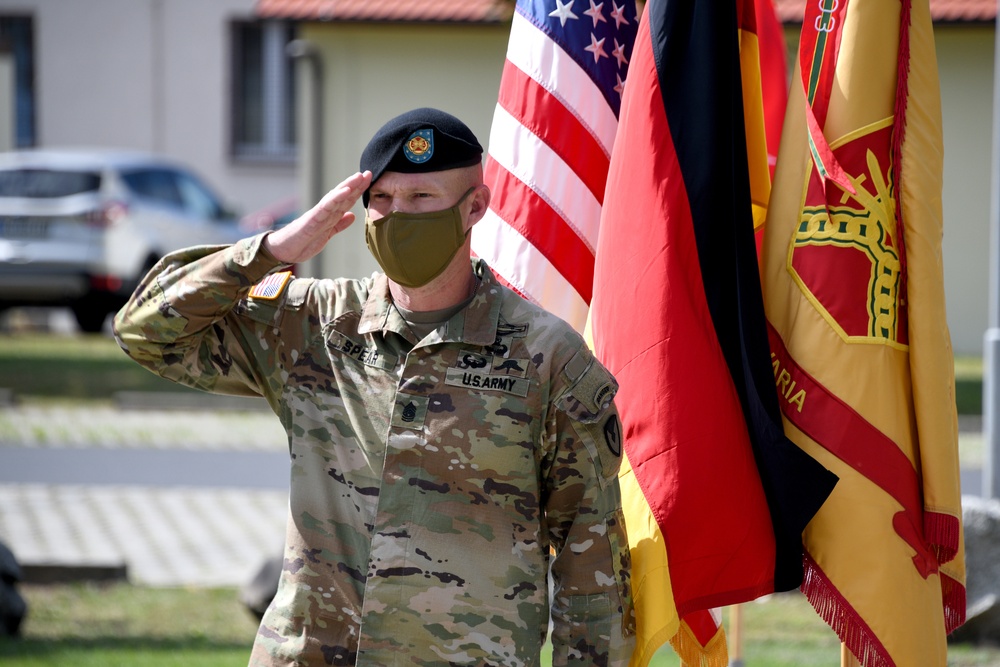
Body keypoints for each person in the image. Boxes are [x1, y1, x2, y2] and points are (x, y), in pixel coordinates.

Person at [113, 107, 634, 666]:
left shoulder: (545, 356)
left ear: (474, 208)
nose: (397, 216)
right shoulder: (311, 325)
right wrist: (272, 252)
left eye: (421, 200)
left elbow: (591, 558)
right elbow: (145, 332)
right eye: (381, 201)